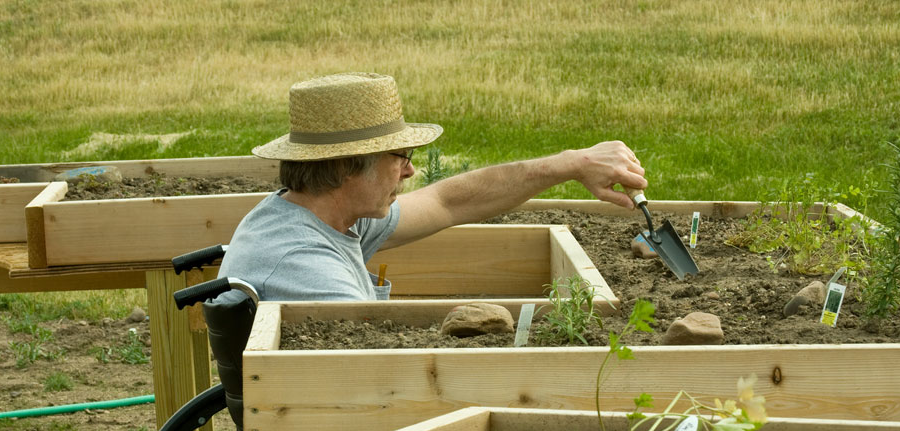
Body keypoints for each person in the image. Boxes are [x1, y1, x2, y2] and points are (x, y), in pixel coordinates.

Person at [215, 71, 647, 302]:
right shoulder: (305, 266)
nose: (409, 172)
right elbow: (376, 364)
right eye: (399, 157)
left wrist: (572, 163)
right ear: (349, 166)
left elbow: (450, 201)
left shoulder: (322, 215)